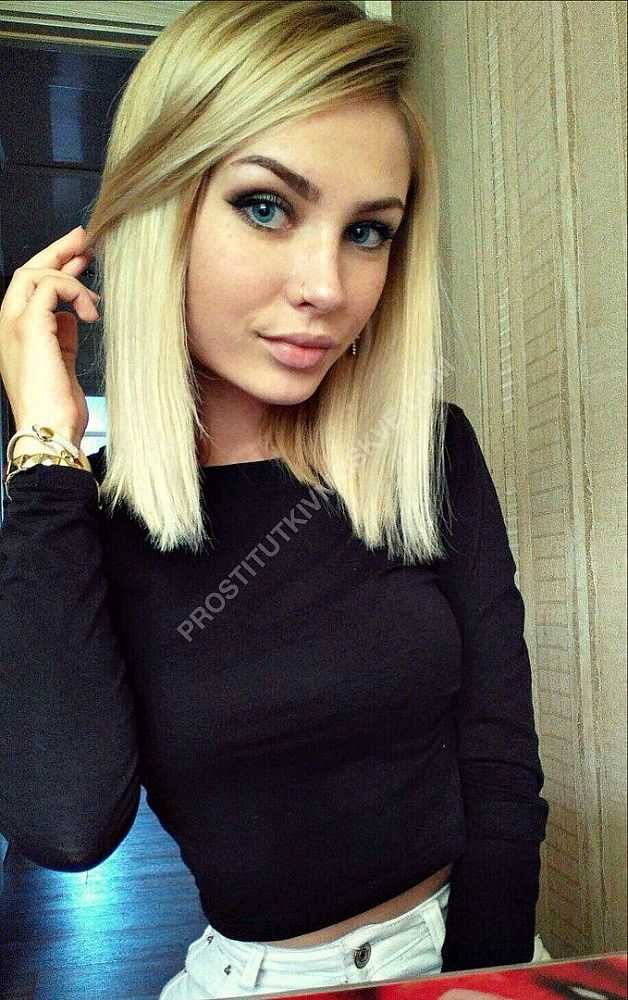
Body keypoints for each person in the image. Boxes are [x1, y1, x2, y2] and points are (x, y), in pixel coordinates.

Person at [0, 2, 550, 997]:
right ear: (159, 208)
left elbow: (500, 757)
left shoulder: (425, 454)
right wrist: (44, 447)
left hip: (473, 956)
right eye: (266, 207)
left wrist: (483, 980)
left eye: (368, 231)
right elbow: (67, 824)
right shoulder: (94, 527)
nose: (327, 287)